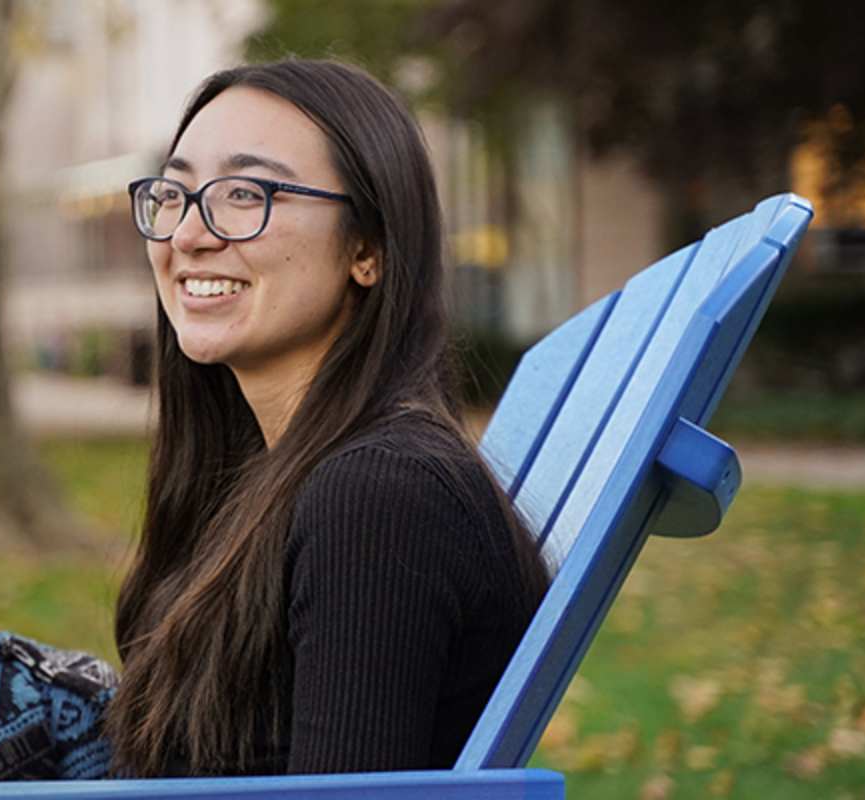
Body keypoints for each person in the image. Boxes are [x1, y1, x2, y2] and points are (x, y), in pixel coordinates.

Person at [104, 60, 549, 777]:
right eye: (175, 193)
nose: (188, 235)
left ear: (367, 248)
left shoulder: (379, 499)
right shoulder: (268, 474)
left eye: (245, 193)